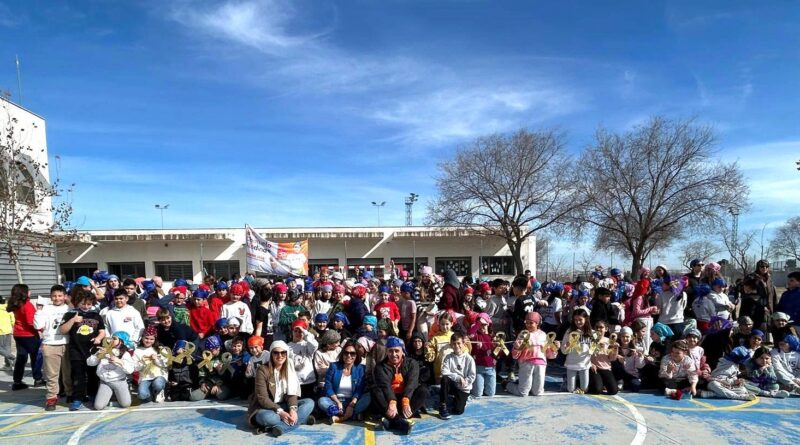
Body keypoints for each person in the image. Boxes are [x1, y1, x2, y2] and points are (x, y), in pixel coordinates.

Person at [247, 340, 316, 437]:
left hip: (284, 405)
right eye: (276, 352)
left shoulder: (289, 367)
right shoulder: (262, 370)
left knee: (309, 403)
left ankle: (281, 427)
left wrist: (292, 409)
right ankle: (301, 419)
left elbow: (291, 392)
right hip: (266, 408)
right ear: (271, 354)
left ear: (286, 354)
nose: (280, 356)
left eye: (283, 352)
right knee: (267, 418)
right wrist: (281, 412)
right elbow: (263, 398)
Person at [60, 290, 105, 410]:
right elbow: (63, 330)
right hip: (76, 350)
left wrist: (98, 338)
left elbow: (102, 330)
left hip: (93, 351)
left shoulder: (96, 315)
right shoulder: (70, 314)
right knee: (78, 376)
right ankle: (77, 398)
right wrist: (72, 320)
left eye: (89, 304)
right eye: (83, 304)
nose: (86, 306)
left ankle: (93, 395)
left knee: (93, 375)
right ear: (77, 303)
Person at [373, 336, 428, 435]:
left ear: (402, 351)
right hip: (389, 401)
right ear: (387, 352)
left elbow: (412, 382)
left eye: (396, 351)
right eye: (390, 351)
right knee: (376, 391)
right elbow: (385, 385)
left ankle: (392, 420)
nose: (394, 354)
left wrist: (406, 400)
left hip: (406, 399)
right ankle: (399, 421)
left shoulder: (412, 363)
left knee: (423, 390)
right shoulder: (380, 366)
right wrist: (392, 401)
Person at [34, 284, 73, 410]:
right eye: (54, 296)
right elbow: (37, 325)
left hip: (67, 343)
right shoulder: (45, 309)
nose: (57, 298)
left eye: (60, 295)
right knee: (52, 375)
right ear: (50, 297)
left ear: (64, 296)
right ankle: (51, 398)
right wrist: (38, 311)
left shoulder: (69, 308)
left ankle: (70, 394)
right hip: (50, 344)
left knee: (68, 373)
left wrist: (70, 303)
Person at [318, 339, 371, 423]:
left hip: (352, 401)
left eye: (352, 353)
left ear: (357, 355)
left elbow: (360, 389)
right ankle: (351, 415)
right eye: (346, 353)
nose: (349, 356)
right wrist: (338, 402)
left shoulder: (361, 368)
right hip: (335, 401)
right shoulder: (333, 366)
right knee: (322, 401)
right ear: (342, 354)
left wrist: (351, 405)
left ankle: (340, 417)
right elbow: (328, 386)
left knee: (368, 397)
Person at [506, 311, 556, 397]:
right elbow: (515, 355)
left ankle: (524, 383)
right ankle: (507, 384)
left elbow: (549, 353)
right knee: (523, 393)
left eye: (531, 323)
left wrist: (554, 348)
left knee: (538, 392)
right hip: (526, 363)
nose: (528, 325)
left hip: (541, 364)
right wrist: (517, 348)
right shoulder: (522, 334)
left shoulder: (543, 335)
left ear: (537, 323)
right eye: (526, 322)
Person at [87, 331, 135, 410]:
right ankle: (109, 398)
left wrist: (119, 362)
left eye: (115, 339)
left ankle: (122, 393)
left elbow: (130, 370)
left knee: (125, 404)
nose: (112, 340)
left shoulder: (125, 354)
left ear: (121, 341)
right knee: (98, 406)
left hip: (119, 381)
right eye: (111, 338)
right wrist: (97, 355)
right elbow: (90, 363)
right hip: (105, 382)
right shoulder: (103, 350)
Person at [7, 284, 42, 390]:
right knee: (35, 358)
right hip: (29, 334)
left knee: (21, 358)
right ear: (24, 293)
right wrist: (41, 329)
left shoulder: (15, 304)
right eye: (28, 290)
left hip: (18, 334)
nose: (30, 292)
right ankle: (38, 379)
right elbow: (31, 322)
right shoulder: (27, 305)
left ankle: (17, 382)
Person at [438, 332, 475, 419]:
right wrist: (458, 378)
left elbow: (472, 376)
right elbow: (444, 371)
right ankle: (442, 405)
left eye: (459, 343)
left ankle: (457, 399)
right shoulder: (448, 357)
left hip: (463, 387)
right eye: (454, 344)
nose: (456, 346)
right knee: (445, 379)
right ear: (451, 345)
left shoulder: (469, 359)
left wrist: (464, 382)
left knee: (458, 411)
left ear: (463, 344)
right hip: (453, 384)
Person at [133, 325, 169, 403]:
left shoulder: (160, 349)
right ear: (142, 338)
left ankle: (160, 391)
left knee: (158, 384)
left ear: (155, 339)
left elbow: (166, 364)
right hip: (145, 377)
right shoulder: (137, 351)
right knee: (142, 395)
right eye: (146, 338)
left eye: (151, 339)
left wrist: (156, 360)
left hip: (159, 375)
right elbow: (135, 368)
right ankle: (152, 394)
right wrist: (142, 362)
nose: (148, 341)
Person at [561, 308, 593, 394]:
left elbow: (593, 350)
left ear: (586, 319)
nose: (578, 322)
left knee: (585, 390)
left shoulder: (591, 333)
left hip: (584, 364)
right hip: (572, 363)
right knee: (571, 390)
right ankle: (566, 379)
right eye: (575, 320)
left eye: (580, 320)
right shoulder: (569, 332)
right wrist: (567, 346)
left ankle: (576, 380)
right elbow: (563, 351)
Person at [469, 313, 499, 398]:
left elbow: (498, 354)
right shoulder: (476, 336)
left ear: (489, 324)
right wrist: (478, 323)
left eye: (484, 325)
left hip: (491, 368)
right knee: (477, 394)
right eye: (480, 325)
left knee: (491, 393)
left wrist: (497, 347)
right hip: (479, 367)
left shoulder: (493, 336)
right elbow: (470, 334)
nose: (482, 327)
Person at [588, 320, 618, 395]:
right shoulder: (590, 340)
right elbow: (586, 355)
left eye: (601, 327)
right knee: (597, 390)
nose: (598, 329)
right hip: (594, 368)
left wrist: (615, 350)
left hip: (605, 368)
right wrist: (590, 364)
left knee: (613, 391)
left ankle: (602, 382)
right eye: (597, 327)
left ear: (606, 329)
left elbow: (612, 359)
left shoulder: (609, 341)